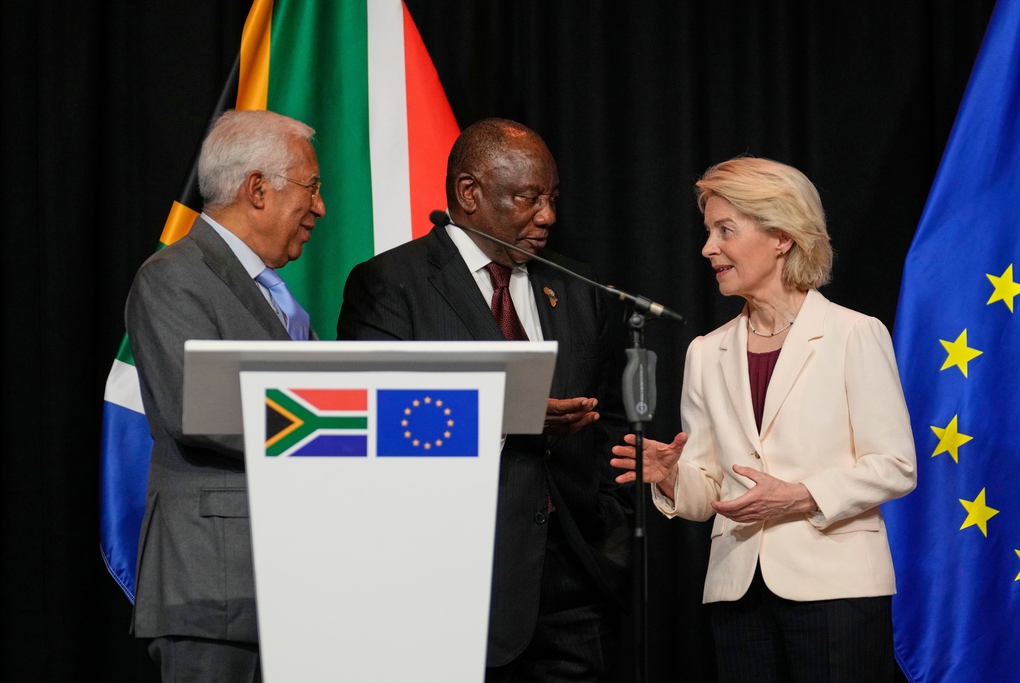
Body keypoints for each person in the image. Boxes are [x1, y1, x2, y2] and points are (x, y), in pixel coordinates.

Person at [337, 117, 633, 681]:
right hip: (446, 583)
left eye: (552, 198)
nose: (547, 216)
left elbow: (611, 422)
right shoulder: (391, 284)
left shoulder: (577, 285)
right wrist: (505, 417)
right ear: (469, 193)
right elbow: (375, 419)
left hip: (572, 585)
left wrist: (609, 527)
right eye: (528, 198)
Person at [610, 156, 917, 682]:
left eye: (725, 230)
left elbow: (895, 466)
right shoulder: (706, 352)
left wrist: (799, 496)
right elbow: (711, 491)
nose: (708, 248)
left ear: (781, 236)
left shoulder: (853, 334)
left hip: (836, 589)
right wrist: (671, 477)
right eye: (708, 232)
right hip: (737, 592)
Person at [125, 108, 325, 681]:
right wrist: (353, 423)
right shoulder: (174, 277)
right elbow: (201, 409)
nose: (320, 208)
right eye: (311, 188)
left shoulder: (275, 294)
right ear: (257, 189)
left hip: (293, 584)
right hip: (216, 585)